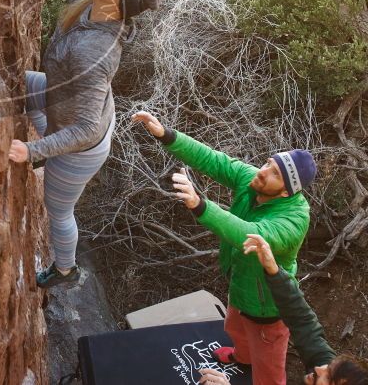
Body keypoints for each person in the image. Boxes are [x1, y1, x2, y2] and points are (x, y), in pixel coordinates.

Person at [5, 0, 166, 289]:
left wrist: (34, 150)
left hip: (82, 147)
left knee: (58, 211)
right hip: (65, 103)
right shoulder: (86, 0)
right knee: (18, 83)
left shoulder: (97, 51)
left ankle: (65, 269)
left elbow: (86, 129)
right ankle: (44, 144)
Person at [132, 110, 316, 385]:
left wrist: (200, 205)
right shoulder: (256, 182)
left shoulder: (294, 219)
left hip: (269, 308)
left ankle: (256, 365)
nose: (263, 171)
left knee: (269, 369)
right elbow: (214, 161)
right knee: (235, 327)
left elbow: (252, 235)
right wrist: (166, 135)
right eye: (268, 163)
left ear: (287, 191)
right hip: (242, 285)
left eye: (274, 173)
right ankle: (242, 356)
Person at [198, 234, 368, 385]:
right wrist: (274, 270)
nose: (319, 368)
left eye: (329, 377)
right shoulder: (323, 365)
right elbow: (302, 320)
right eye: (330, 366)